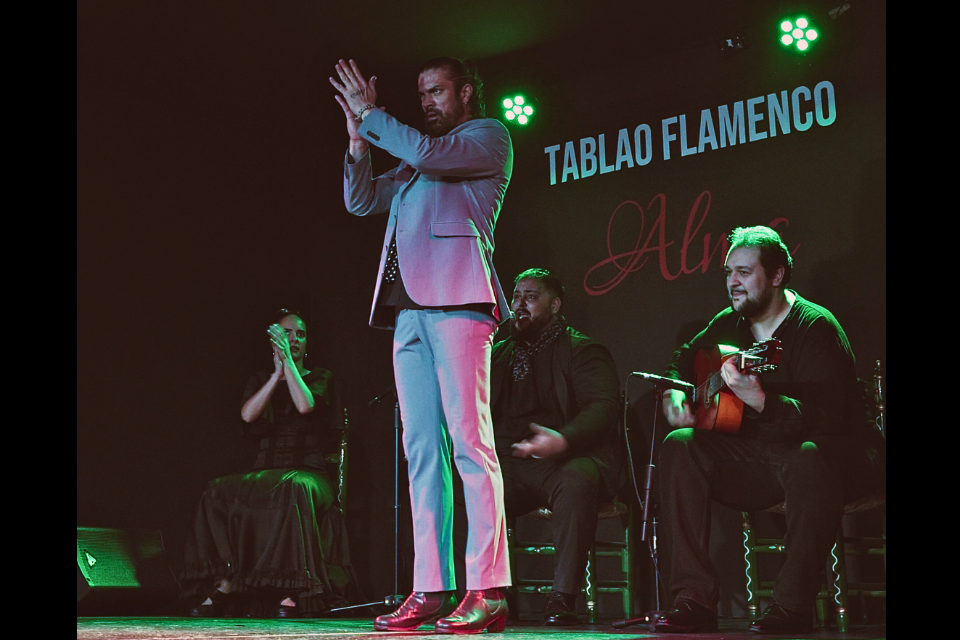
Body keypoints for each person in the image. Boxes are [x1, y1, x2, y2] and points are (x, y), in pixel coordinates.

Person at [329, 57, 513, 633]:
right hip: (407, 314)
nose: (427, 101)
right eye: (421, 94)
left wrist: (372, 114)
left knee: (468, 445)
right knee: (421, 455)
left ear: (465, 93)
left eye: (436, 91)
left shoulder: (485, 138)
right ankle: (430, 586)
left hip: (459, 302)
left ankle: (488, 588)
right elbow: (361, 202)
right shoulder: (412, 165)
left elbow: (429, 154)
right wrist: (359, 145)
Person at [650, 226, 886, 634]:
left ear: (776, 276)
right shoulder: (730, 323)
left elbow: (829, 420)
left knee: (809, 455)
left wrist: (761, 400)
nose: (732, 283)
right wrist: (674, 393)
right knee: (682, 445)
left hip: (836, 459)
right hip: (766, 460)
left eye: (743, 272)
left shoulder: (815, 327)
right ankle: (694, 598)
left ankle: (791, 607)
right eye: (728, 273)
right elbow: (682, 361)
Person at [458, 268, 622, 625]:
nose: (519, 305)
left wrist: (562, 440)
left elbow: (604, 407)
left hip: (564, 461)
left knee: (578, 480)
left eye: (530, 297)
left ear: (555, 304)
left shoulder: (582, 350)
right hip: (511, 464)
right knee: (469, 480)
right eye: (516, 297)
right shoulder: (497, 354)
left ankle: (562, 597)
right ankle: (489, 593)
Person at [179, 309, 357, 618]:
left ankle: (288, 589)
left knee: (292, 486)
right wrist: (277, 375)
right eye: (287, 333)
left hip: (310, 473)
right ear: (274, 343)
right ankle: (226, 583)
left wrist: (289, 365)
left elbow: (305, 406)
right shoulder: (261, 380)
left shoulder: (320, 377)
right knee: (217, 489)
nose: (294, 339)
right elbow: (248, 415)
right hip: (266, 471)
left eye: (300, 334)